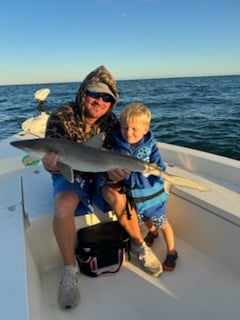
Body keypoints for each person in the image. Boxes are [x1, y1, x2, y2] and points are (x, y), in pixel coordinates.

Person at [42, 66, 162, 310]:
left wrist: (115, 174)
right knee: (63, 204)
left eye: (106, 97)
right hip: (71, 170)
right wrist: (51, 166)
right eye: (94, 94)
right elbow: (54, 165)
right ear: (84, 93)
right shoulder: (61, 117)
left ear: (112, 101)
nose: (99, 101)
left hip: (100, 171)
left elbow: (117, 157)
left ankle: (139, 245)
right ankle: (69, 269)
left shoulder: (112, 123)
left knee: (115, 194)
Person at [102, 102, 178, 272]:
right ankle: (152, 233)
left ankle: (172, 251)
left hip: (154, 197)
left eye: (134, 129)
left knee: (163, 223)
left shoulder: (151, 146)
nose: (128, 133)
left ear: (145, 129)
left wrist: (150, 169)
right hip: (135, 198)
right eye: (124, 128)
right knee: (145, 221)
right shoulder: (117, 146)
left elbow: (160, 168)